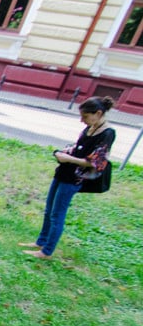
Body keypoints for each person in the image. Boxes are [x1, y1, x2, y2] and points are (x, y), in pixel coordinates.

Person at [21, 96, 116, 260]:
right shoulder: (89, 128)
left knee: (57, 214)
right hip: (63, 172)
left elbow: (96, 162)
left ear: (99, 113)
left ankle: (46, 252)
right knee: (49, 210)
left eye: (85, 116)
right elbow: (78, 148)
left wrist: (68, 159)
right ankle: (41, 242)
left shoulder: (107, 133)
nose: (82, 120)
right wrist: (62, 153)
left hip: (74, 179)